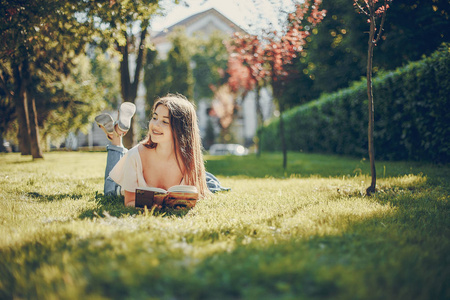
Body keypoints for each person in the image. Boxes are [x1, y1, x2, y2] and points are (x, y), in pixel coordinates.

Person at [95, 93, 228, 208]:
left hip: (186, 163)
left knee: (210, 185)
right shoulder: (136, 155)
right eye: (154, 117)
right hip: (129, 176)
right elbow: (129, 201)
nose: (155, 125)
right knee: (111, 190)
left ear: (181, 130)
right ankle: (116, 137)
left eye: (165, 122)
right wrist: (148, 205)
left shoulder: (189, 161)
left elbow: (192, 198)